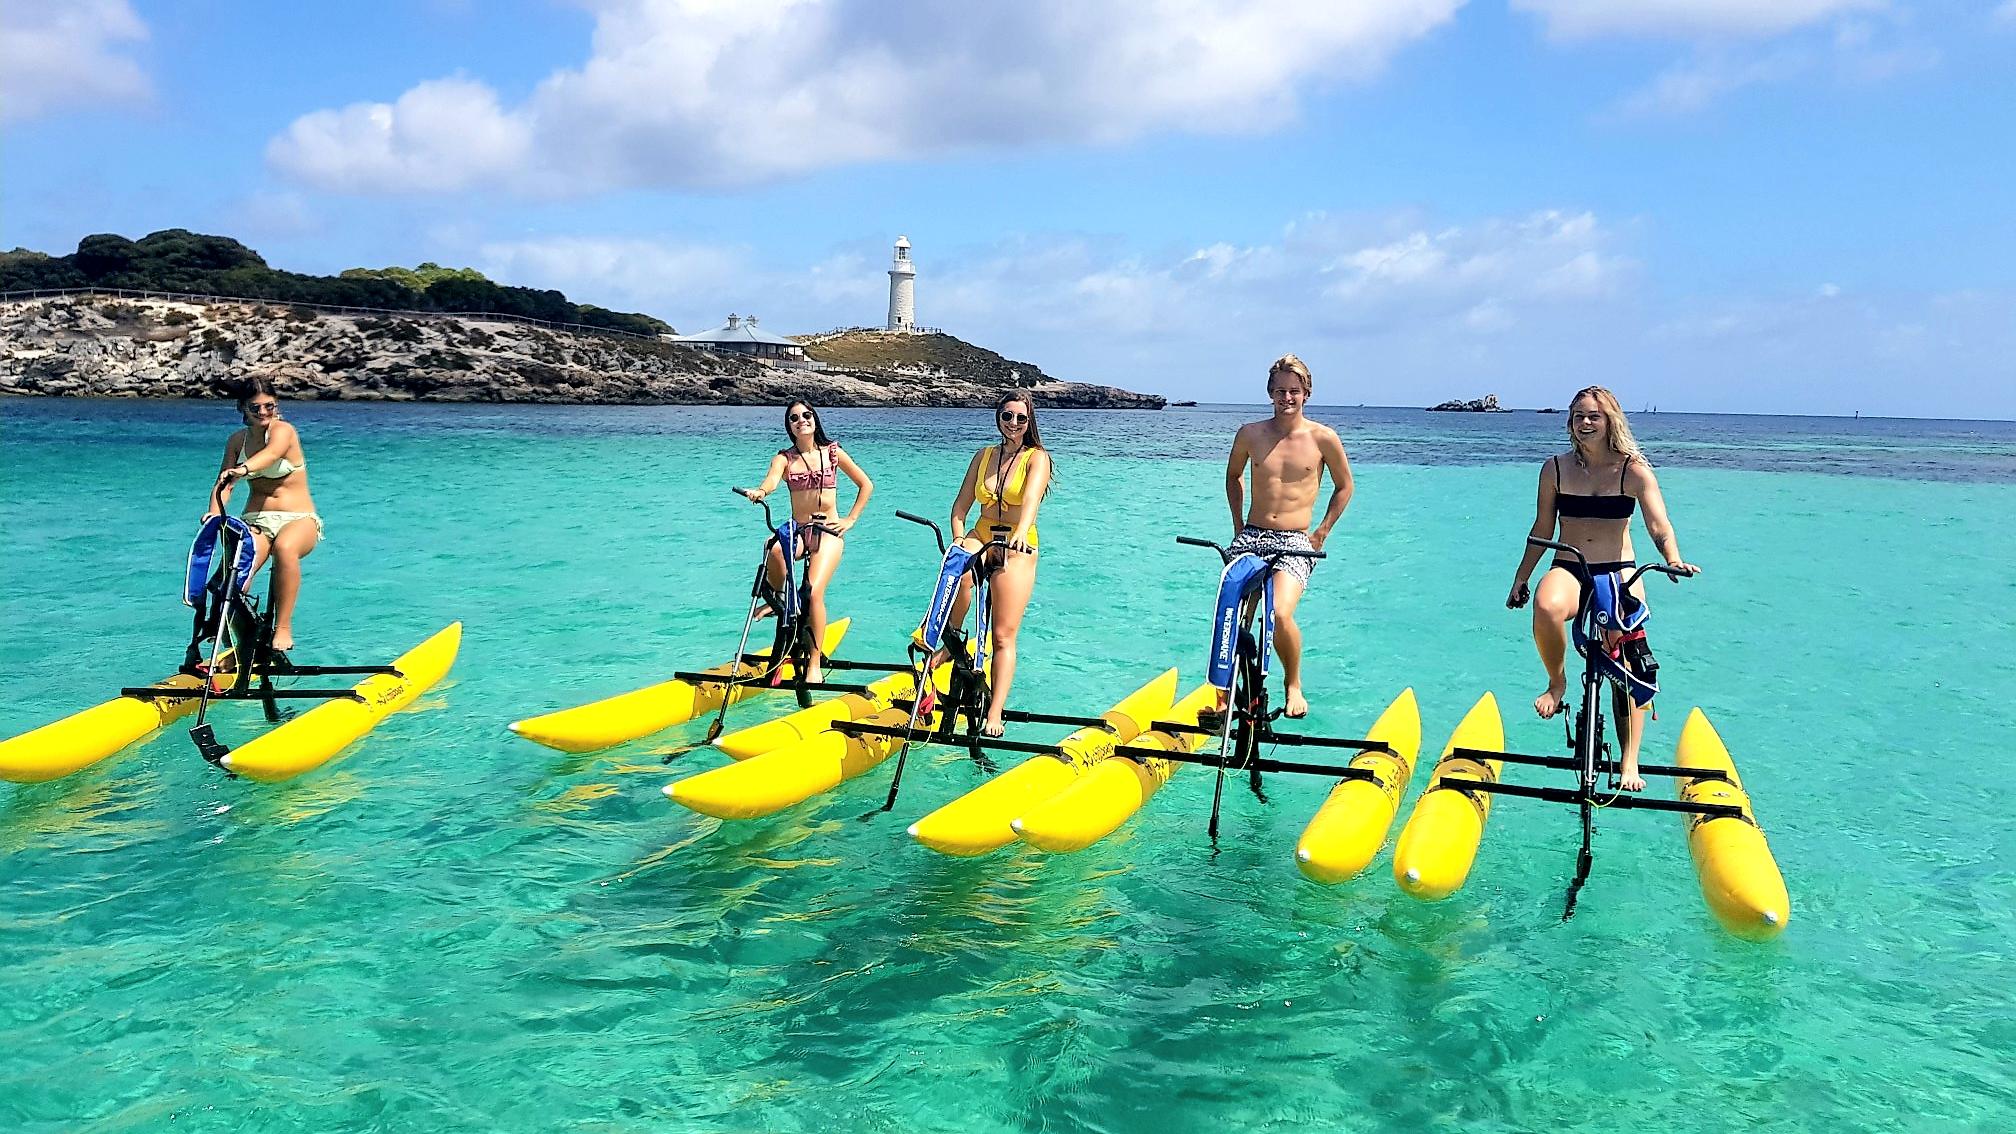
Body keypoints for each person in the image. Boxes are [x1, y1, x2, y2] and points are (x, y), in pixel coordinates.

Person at [1506, 385, 1700, 791]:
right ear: (1570, 423)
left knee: (1628, 664)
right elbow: (1542, 529)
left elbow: (1658, 524)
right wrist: (1521, 576)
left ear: (1611, 419)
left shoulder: (1633, 469)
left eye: (1594, 415)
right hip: (1569, 562)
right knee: (1546, 605)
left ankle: (1630, 762)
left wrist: (1672, 558)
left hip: (1619, 571)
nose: (1586, 423)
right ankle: (1557, 682)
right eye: (1579, 416)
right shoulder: (1555, 469)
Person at [1216, 354, 1354, 720]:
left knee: (1277, 612)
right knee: (1231, 609)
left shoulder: (1324, 438)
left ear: (1306, 393)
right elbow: (1233, 477)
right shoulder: (1249, 434)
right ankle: (1222, 692)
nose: (1286, 398)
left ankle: (1293, 683)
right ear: (1269, 392)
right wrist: (1237, 526)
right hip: (1252, 535)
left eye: (1294, 391)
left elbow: (1345, 487)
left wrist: (1321, 532)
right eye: (1279, 391)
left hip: (1295, 541)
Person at [932, 390, 1053, 737]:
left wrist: (1022, 531)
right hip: (982, 534)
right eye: (1007, 416)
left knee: (1003, 635)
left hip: (1016, 543)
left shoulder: (1036, 458)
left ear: (1029, 422)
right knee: (958, 569)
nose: (1013, 423)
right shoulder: (983, 456)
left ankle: (995, 711)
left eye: (1021, 418)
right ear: (998, 417)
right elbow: (960, 507)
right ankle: (951, 643)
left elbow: (1029, 501)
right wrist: (958, 537)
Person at [743, 400, 873, 683]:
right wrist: (761, 492)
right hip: (800, 530)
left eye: (806, 415)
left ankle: (814, 663)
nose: (801, 420)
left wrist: (850, 520)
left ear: (815, 419)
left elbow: (866, 484)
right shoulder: (784, 458)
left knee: (814, 591)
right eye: (794, 418)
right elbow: (772, 482)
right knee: (775, 549)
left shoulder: (833, 452)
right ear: (789, 426)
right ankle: (778, 599)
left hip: (829, 533)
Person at [207, 378, 321, 655]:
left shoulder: (284, 431)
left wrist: (243, 470)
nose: (263, 412)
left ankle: (283, 627)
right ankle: (242, 635)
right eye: (255, 407)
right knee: (234, 577)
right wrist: (212, 513)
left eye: (269, 406)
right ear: (242, 408)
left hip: (298, 518)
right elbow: (225, 484)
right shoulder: (237, 440)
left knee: (285, 548)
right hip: (256, 521)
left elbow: (270, 456)